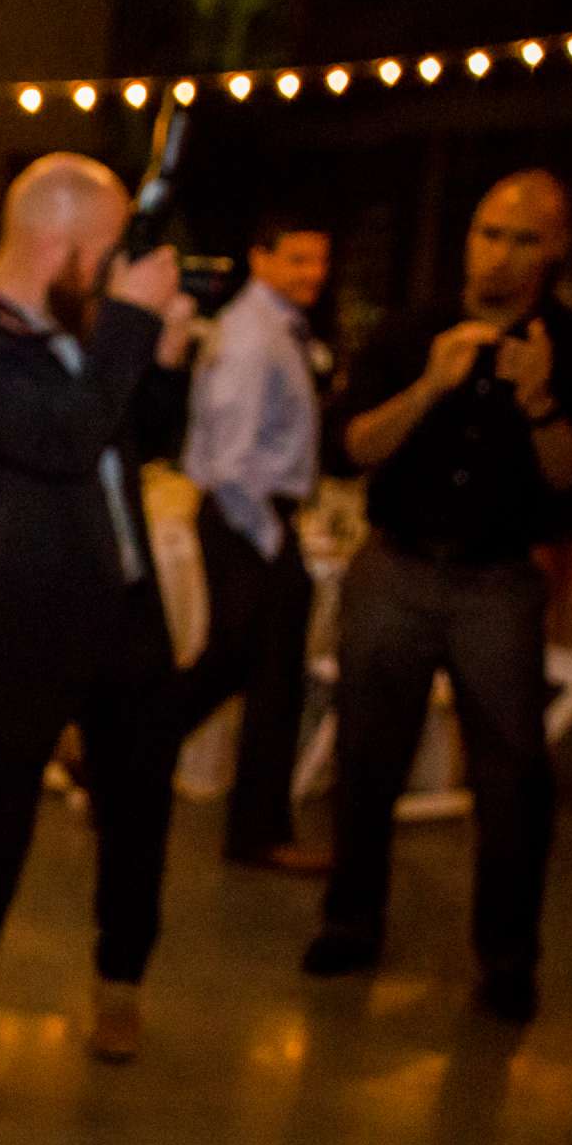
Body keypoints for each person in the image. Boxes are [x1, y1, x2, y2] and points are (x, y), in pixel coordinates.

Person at [303, 170, 572, 1024]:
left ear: (555, 249)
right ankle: (350, 920)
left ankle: (507, 960)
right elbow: (345, 449)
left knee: (513, 778)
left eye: (526, 239)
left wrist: (537, 401)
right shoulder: (413, 333)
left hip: (499, 580)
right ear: (469, 237)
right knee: (367, 758)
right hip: (397, 566)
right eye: (491, 232)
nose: (503, 253)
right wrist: (427, 388)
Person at [0, 154, 196, 1124]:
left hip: (127, 611)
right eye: (109, 252)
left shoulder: (88, 332)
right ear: (62, 246)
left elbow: (142, 435)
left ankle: (123, 980)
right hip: (27, 623)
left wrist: (158, 360)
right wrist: (133, 324)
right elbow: (69, 439)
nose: (121, 268)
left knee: (139, 816)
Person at [177, 217, 334, 872]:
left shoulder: (273, 329)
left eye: (318, 261)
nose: (310, 275)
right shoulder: (252, 336)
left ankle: (118, 756)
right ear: (259, 258)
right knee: (264, 678)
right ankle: (258, 832)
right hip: (249, 519)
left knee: (245, 669)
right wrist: (273, 542)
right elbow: (232, 461)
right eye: (295, 259)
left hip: (250, 518)